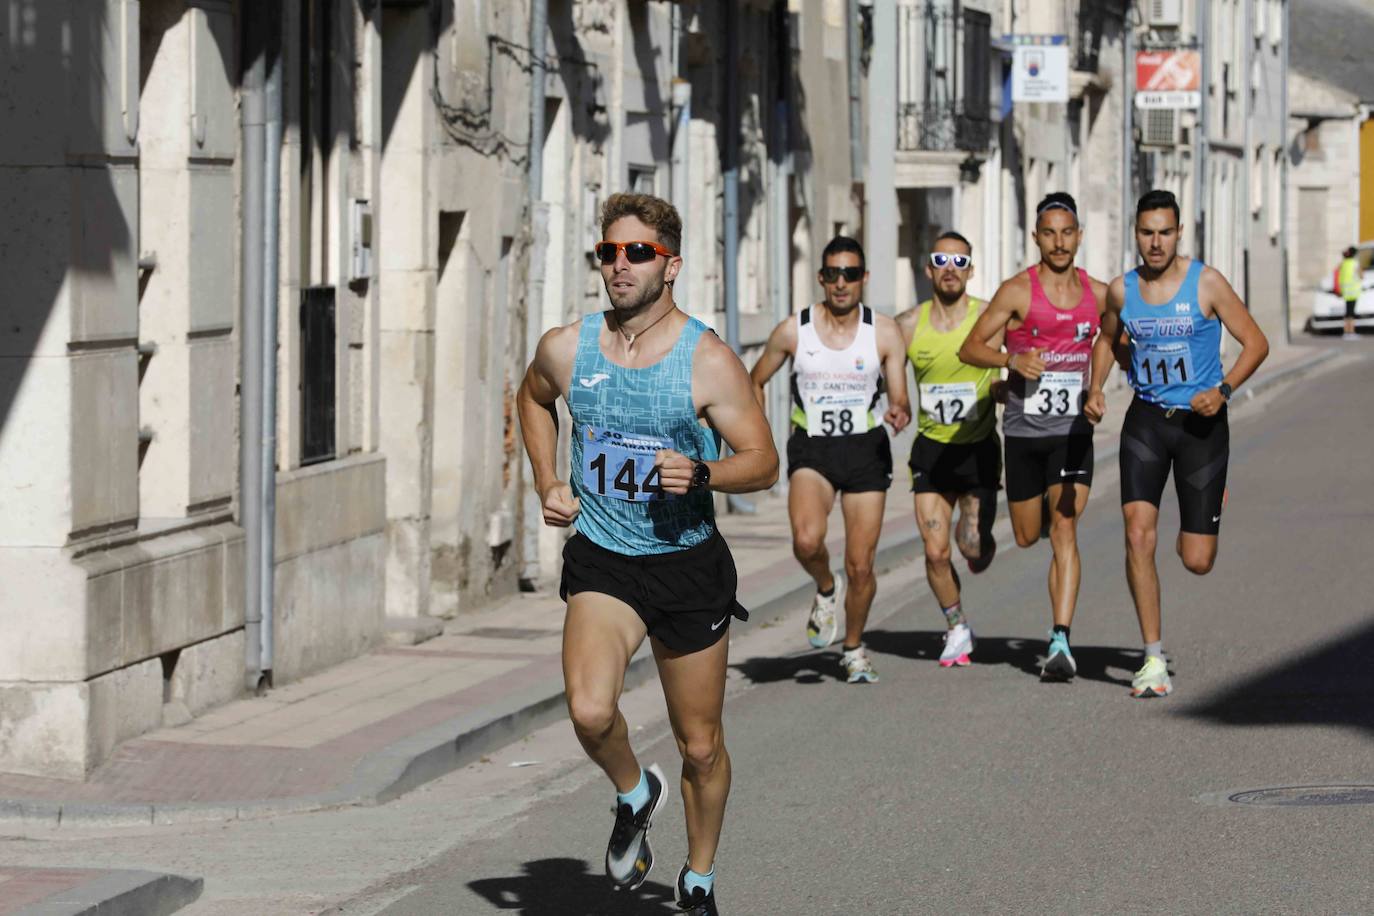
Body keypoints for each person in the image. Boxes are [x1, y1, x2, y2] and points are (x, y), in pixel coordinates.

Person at [517, 192, 778, 914]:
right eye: (609, 252)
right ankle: (635, 794)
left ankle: (697, 877)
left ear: (672, 266)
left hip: (687, 564)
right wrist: (547, 480)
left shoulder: (708, 360)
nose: (620, 265)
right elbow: (532, 400)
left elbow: (763, 461)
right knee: (590, 710)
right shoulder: (568, 347)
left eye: (638, 252)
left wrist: (702, 472)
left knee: (700, 747)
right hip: (604, 556)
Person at [1084, 189, 1269, 699]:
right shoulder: (1123, 290)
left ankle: (1208, 501)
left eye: (1165, 232)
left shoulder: (1205, 282)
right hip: (1146, 421)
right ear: (1136, 233)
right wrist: (1095, 387)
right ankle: (1151, 658)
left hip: (1200, 426)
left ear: (1179, 232)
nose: (1156, 242)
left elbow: (1256, 342)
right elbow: (1107, 338)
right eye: (1147, 233)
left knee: (1197, 560)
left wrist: (1225, 389)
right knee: (1137, 534)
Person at [958, 192, 1110, 682]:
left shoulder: (1101, 293)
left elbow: (1115, 338)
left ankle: (1060, 639)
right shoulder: (1017, 291)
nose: (1060, 242)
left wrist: (1099, 386)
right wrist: (1010, 360)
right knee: (1027, 536)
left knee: (1065, 527)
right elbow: (970, 347)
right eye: (1050, 233)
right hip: (1024, 432)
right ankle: (1036, 514)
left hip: (1072, 431)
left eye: (1068, 233)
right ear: (1037, 238)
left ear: (1079, 236)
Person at [750, 237, 911, 684]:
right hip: (813, 449)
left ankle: (854, 648)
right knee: (805, 541)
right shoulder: (793, 330)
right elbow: (755, 380)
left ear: (864, 279)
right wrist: (757, 435)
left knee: (861, 565)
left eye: (851, 274)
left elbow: (899, 396)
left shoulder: (883, 331)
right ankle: (825, 586)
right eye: (833, 274)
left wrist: (899, 409)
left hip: (865, 450)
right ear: (821, 278)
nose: (842, 283)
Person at [896, 231, 1002, 667]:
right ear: (929, 269)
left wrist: (1005, 390)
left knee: (971, 547)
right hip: (932, 451)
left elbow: (1013, 360)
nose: (951, 269)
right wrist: (896, 402)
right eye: (942, 260)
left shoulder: (990, 317)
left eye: (960, 262)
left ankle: (979, 549)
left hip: (977, 448)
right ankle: (957, 627)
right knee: (936, 551)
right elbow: (886, 365)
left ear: (971, 270)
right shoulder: (907, 323)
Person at [1338, 246, 1362, 340]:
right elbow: (1361, 275)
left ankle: (1346, 332)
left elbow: (1339, 274)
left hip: (1345, 291)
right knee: (1351, 313)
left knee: (1347, 312)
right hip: (1353, 292)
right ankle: (1351, 332)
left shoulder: (1343, 264)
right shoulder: (1355, 264)